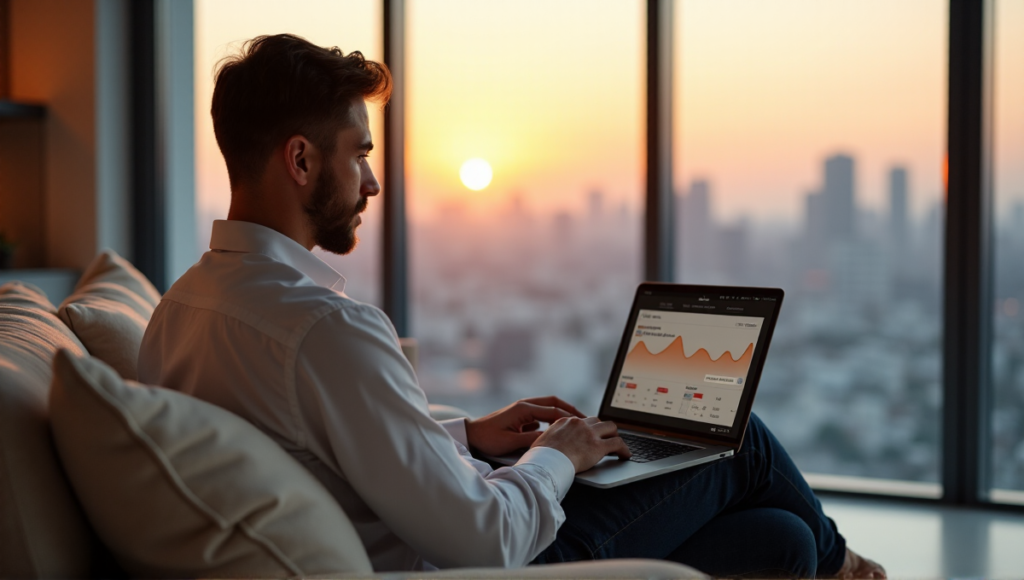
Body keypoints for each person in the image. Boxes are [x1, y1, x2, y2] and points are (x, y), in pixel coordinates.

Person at [138, 33, 885, 578]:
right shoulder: (324, 329)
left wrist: (469, 433)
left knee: (779, 541)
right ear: (301, 161)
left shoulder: (181, 310)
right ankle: (849, 566)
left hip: (436, 530)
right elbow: (485, 540)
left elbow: (323, 439)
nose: (370, 184)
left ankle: (821, 556)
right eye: (358, 153)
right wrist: (554, 457)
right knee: (739, 436)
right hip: (495, 562)